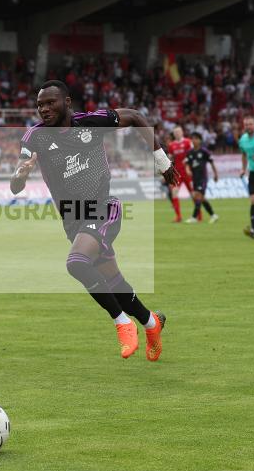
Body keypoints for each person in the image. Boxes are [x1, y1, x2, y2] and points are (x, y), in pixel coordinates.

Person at [11, 80, 180, 361]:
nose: (44, 109)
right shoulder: (34, 137)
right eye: (40, 104)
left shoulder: (93, 122)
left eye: (50, 102)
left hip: (103, 208)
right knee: (114, 282)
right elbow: (16, 185)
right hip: (73, 221)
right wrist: (21, 175)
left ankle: (122, 323)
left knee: (76, 263)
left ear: (67, 102)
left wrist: (163, 164)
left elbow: (137, 117)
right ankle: (151, 323)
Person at [184, 133, 219, 224]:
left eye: (196, 139)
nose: (194, 140)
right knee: (201, 198)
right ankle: (213, 215)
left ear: (200, 140)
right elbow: (187, 164)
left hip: (203, 178)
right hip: (195, 178)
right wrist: (187, 170)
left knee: (198, 196)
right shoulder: (190, 152)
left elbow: (211, 163)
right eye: (193, 138)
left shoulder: (204, 151)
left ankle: (194, 217)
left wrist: (215, 174)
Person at [167, 126, 192, 222]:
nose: (177, 133)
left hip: (187, 172)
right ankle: (178, 216)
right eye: (175, 132)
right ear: (173, 134)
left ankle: (198, 215)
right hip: (177, 173)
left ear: (182, 132)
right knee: (174, 193)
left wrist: (190, 168)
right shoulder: (171, 145)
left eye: (178, 132)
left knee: (193, 193)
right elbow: (170, 159)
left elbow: (192, 154)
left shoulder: (187, 142)